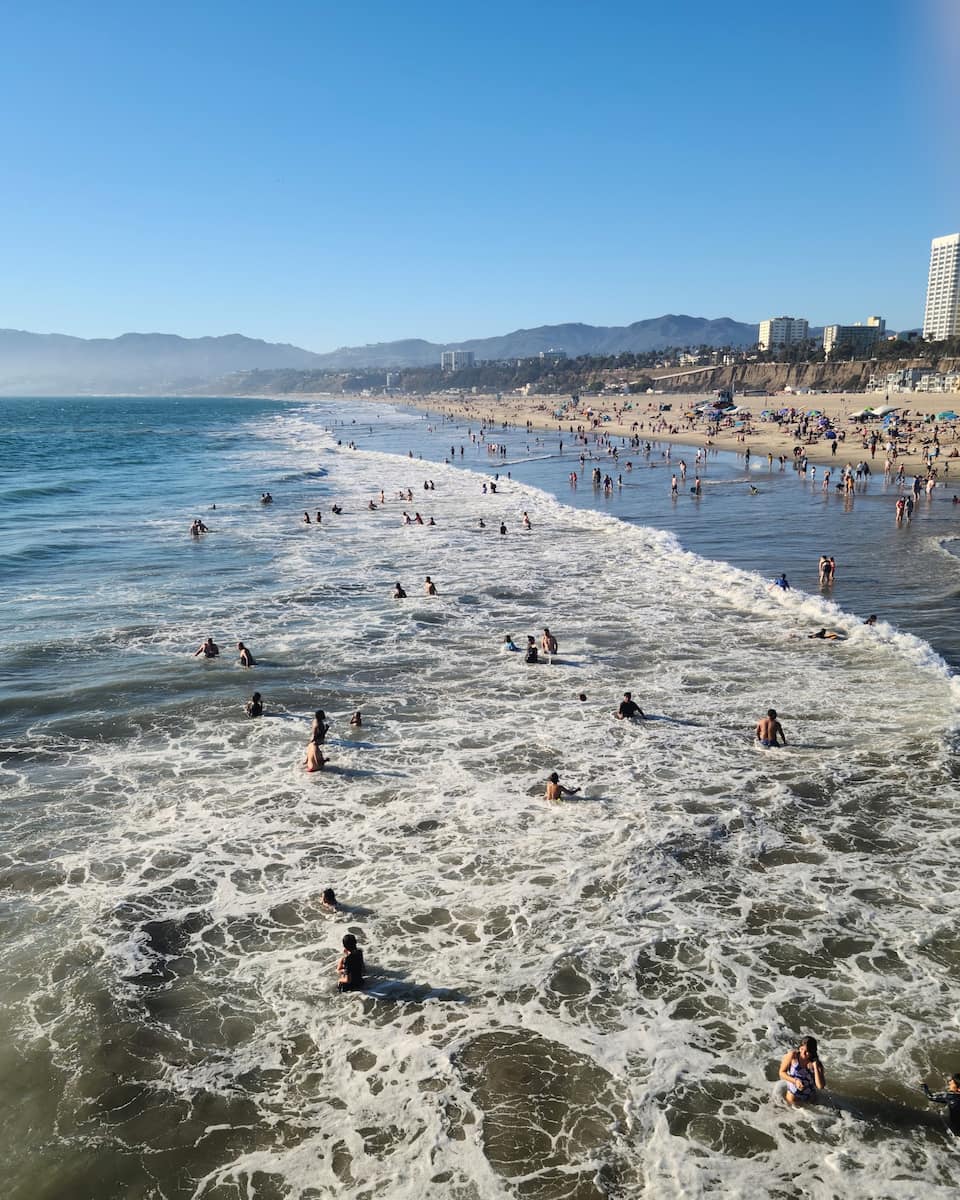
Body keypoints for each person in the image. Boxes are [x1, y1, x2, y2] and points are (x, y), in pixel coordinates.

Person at [779, 1036, 825, 1105]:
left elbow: (820, 1086)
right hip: (793, 1099)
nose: (804, 1053)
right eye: (803, 1049)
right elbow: (781, 1073)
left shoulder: (816, 1064)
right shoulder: (793, 1056)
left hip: (810, 1100)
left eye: (808, 1052)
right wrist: (795, 1081)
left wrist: (815, 1066)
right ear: (800, 1048)